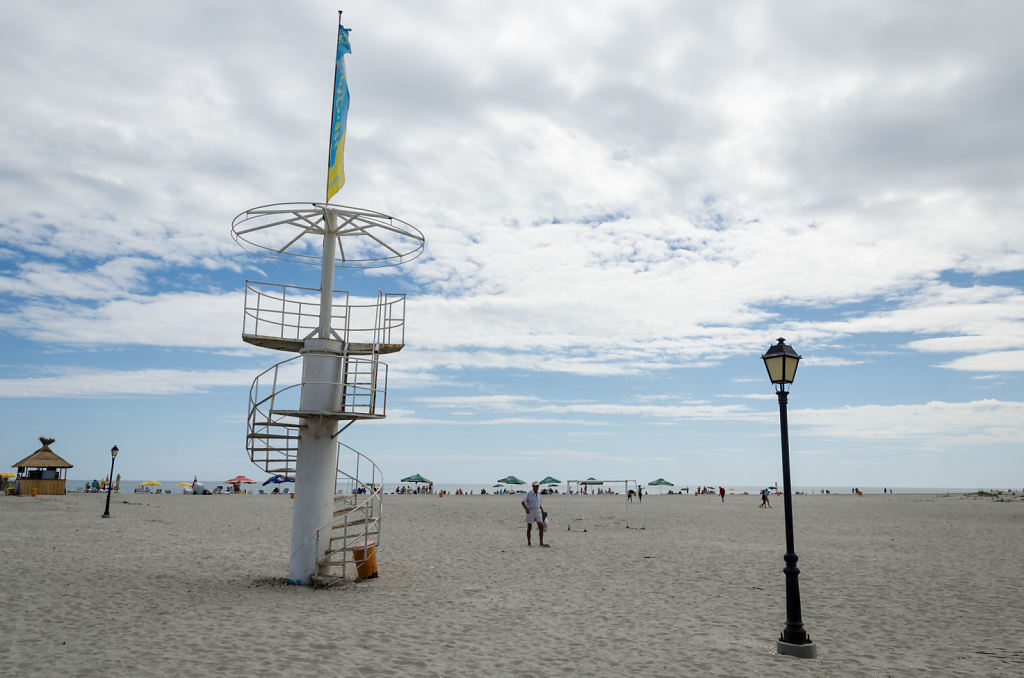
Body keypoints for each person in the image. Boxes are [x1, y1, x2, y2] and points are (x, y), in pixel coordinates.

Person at [521, 481, 548, 547]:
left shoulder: (539, 493)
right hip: (530, 511)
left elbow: (539, 503)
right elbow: (523, 502)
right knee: (529, 526)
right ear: (533, 486)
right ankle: (529, 542)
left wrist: (542, 510)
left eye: (538, 486)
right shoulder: (529, 493)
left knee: (541, 526)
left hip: (538, 510)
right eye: (536, 486)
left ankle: (541, 543)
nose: (537, 487)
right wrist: (526, 509)